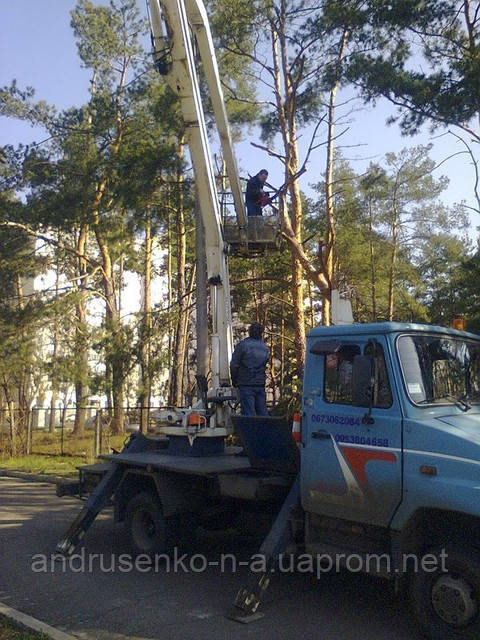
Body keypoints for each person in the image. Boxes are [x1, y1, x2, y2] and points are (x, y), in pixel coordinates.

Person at [230, 323, 269, 416]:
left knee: (248, 413)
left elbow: (234, 365)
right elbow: (265, 364)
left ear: (250, 332)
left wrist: (234, 380)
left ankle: (249, 430)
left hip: (246, 383)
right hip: (260, 384)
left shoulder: (243, 346)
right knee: (262, 412)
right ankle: (265, 429)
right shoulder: (265, 348)